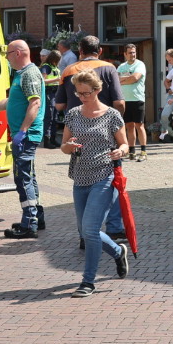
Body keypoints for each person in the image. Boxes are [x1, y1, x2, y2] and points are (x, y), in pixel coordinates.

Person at [60, 69, 130, 296]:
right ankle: (118, 251)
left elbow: (125, 145)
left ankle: (88, 281)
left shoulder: (111, 115)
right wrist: (69, 147)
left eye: (86, 93)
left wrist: (120, 151)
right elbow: (63, 146)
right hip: (79, 177)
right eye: (78, 93)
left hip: (104, 176)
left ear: (97, 90)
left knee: (90, 229)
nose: (82, 97)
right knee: (85, 231)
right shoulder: (72, 114)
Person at [0, 39, 45, 238]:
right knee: (29, 176)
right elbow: (10, 101)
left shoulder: (29, 73)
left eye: (8, 53)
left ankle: (29, 223)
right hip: (24, 135)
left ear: (19, 53)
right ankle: (36, 217)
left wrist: (22, 131)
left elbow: (35, 103)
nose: (6, 58)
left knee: (23, 179)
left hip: (26, 136)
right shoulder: (21, 75)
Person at [57, 36, 125, 237]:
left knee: (107, 184)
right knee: (114, 188)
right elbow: (119, 102)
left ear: (80, 51)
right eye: (80, 93)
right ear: (100, 50)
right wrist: (118, 122)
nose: (83, 96)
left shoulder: (69, 70)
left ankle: (93, 235)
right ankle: (113, 229)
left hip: (90, 144)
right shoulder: (109, 68)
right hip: (101, 142)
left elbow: (59, 104)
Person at [116, 43, 148, 162]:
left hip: (137, 99)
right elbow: (116, 79)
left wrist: (124, 80)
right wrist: (127, 78)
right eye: (130, 53)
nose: (132, 55)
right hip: (125, 100)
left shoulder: (140, 64)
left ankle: (143, 152)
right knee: (128, 126)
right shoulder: (121, 66)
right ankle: (132, 152)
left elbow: (135, 78)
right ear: (125, 54)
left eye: (134, 52)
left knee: (139, 125)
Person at [38, 48, 62, 149]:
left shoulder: (54, 67)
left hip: (55, 93)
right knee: (49, 118)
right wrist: (57, 79)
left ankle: (53, 139)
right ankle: (47, 141)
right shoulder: (46, 67)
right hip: (48, 93)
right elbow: (42, 81)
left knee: (55, 118)